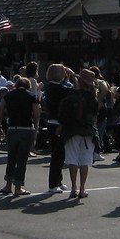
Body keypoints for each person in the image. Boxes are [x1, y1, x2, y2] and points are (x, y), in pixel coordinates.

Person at [0, 76, 41, 196]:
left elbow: (0, 111)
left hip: (12, 128)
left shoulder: (8, 95)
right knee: (22, 159)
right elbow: (37, 114)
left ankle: (8, 185)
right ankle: (18, 187)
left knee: (11, 157)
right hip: (26, 128)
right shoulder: (32, 96)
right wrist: (35, 125)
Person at [59, 69, 99, 199]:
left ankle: (73, 187)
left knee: (72, 159)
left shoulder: (72, 95)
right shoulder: (93, 98)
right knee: (85, 160)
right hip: (88, 131)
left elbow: (63, 112)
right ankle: (82, 188)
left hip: (72, 130)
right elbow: (95, 116)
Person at [43, 63, 74, 193]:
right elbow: (73, 91)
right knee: (58, 154)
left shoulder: (50, 86)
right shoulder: (56, 88)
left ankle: (58, 180)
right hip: (57, 122)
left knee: (59, 154)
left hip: (53, 121)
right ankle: (53, 184)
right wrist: (72, 76)